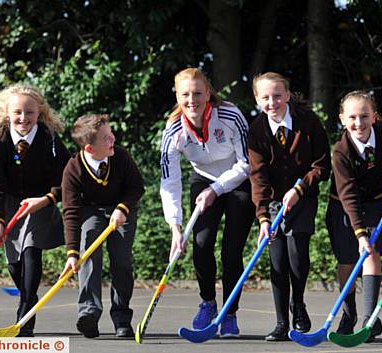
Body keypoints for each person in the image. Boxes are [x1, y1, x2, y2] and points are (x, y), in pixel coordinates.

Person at [160, 68, 255, 338]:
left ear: (208, 93)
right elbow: (170, 181)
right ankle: (208, 303)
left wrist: (218, 188)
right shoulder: (173, 130)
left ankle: (230, 314)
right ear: (177, 96)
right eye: (185, 94)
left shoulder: (230, 115)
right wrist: (175, 227)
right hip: (201, 179)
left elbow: (247, 163)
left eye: (198, 93)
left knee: (231, 252)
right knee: (201, 244)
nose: (192, 100)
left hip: (238, 182)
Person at [248, 72, 331, 341]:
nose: (272, 102)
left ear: (287, 94)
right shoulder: (257, 130)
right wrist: (262, 217)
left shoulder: (308, 122)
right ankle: (281, 322)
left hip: (303, 199)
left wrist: (299, 188)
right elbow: (258, 176)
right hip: (273, 202)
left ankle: (299, 304)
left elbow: (322, 166)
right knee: (278, 261)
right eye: (265, 97)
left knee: (297, 254)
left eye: (277, 95)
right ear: (257, 99)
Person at [0, 83, 70, 337]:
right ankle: (29, 299)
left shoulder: (49, 137)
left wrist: (48, 198)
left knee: (31, 250)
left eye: (30, 112)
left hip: (41, 201)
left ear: (40, 113)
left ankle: (24, 317)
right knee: (15, 263)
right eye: (18, 112)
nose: (24, 118)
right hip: (11, 202)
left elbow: (66, 176)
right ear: (7, 113)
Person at [325, 91, 382, 341]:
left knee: (371, 254)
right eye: (352, 117)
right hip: (343, 206)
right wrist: (360, 232)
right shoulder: (340, 152)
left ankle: (369, 320)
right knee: (348, 261)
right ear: (342, 119)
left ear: (375, 117)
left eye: (364, 116)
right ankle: (348, 315)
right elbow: (348, 194)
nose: (358, 123)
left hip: (375, 203)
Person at [60, 114, 144, 339]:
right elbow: (71, 211)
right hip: (91, 211)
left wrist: (123, 208)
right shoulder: (73, 169)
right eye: (106, 138)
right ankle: (89, 313)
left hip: (122, 211)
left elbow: (137, 187)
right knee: (88, 253)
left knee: (121, 262)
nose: (113, 140)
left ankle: (121, 317)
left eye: (111, 134)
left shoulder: (121, 157)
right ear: (89, 148)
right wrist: (72, 252)